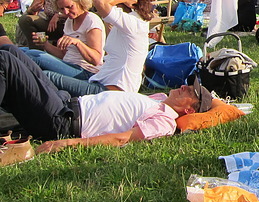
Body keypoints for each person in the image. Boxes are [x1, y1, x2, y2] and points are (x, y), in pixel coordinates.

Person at [0, 43, 214, 152]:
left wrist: (68, 144)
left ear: (189, 111)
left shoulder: (165, 122)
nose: (184, 87)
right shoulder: (158, 100)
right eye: (188, 85)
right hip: (66, 102)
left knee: (5, 62)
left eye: (190, 92)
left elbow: (123, 138)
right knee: (11, 50)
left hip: (62, 121)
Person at [46, 0, 152, 96]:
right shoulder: (125, 25)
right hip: (102, 82)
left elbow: (99, 3)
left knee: (48, 75)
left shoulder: (134, 24)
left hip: (113, 91)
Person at [23, 0, 106, 80]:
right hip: (69, 65)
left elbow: (96, 59)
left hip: (86, 71)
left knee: (32, 55)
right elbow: (64, 55)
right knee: (22, 51)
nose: (66, 12)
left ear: (80, 2)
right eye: (62, 9)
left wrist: (77, 43)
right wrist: (45, 44)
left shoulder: (91, 20)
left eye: (70, 7)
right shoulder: (70, 21)